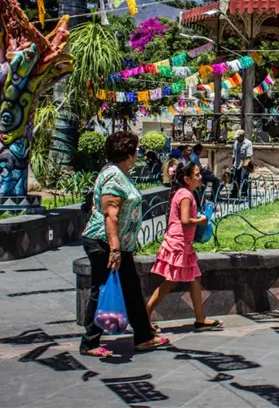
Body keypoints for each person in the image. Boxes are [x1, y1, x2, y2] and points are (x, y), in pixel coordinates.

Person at [79, 131, 169, 357]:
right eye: (135, 149)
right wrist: (115, 249)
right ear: (128, 152)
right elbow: (111, 215)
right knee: (101, 287)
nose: (137, 153)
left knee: (131, 288)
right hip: (104, 242)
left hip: (119, 244)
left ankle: (143, 336)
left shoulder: (121, 173)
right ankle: (89, 343)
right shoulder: (113, 177)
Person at [146, 161, 223, 331]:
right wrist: (201, 221)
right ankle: (145, 316)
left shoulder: (183, 192)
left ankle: (200, 318)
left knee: (195, 278)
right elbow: (185, 220)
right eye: (197, 174)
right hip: (177, 244)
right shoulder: (186, 195)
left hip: (182, 243)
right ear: (187, 179)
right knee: (170, 282)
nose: (200, 176)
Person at [230, 129, 253, 198]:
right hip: (236, 164)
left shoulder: (248, 143)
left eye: (238, 137)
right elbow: (234, 155)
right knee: (235, 179)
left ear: (242, 136)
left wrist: (245, 167)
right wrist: (232, 165)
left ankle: (243, 194)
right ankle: (234, 193)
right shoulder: (235, 143)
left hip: (245, 164)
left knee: (244, 178)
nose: (237, 138)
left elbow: (249, 155)